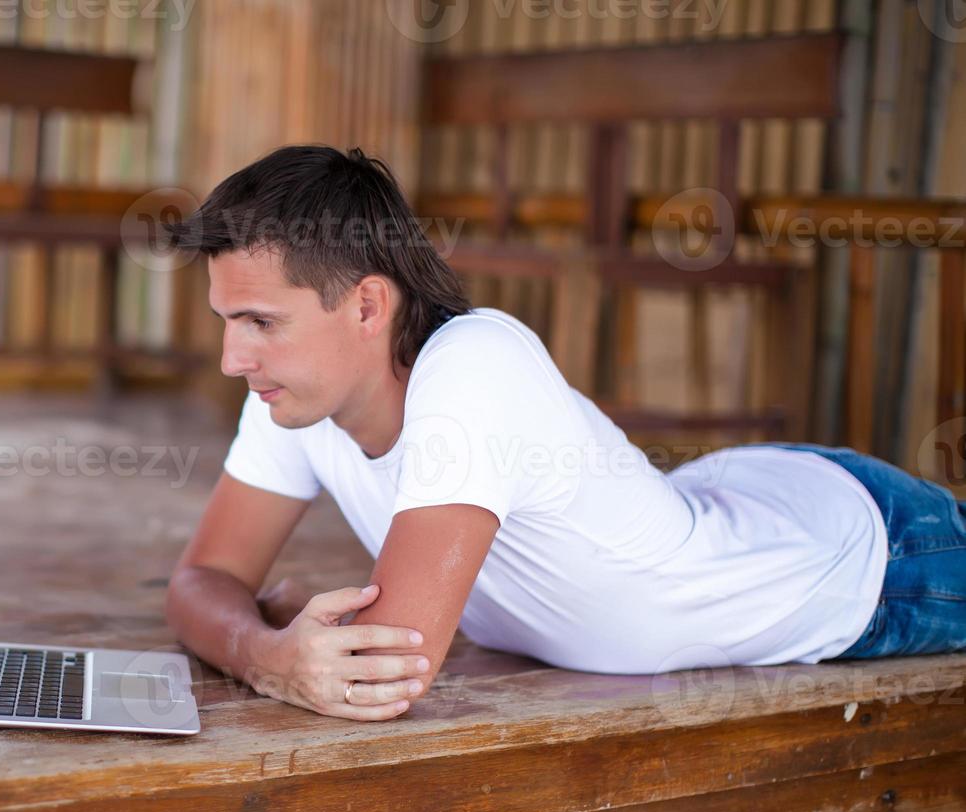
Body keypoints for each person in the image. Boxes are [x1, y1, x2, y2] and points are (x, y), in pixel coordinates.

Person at [162, 144, 966, 721]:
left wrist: (261, 646)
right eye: (229, 323)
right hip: (734, 494)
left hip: (868, 557)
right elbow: (199, 581)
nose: (235, 357)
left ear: (368, 306)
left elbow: (379, 672)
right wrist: (270, 653)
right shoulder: (292, 394)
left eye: (261, 322)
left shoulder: (475, 361)